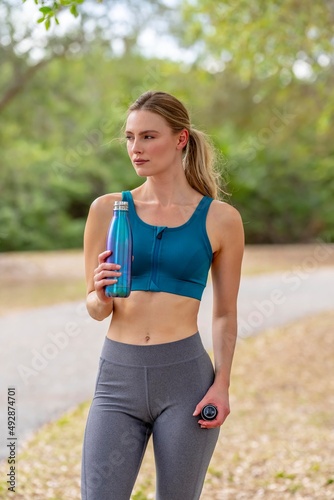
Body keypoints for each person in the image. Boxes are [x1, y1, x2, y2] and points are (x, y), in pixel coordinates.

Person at [81, 90, 244, 500]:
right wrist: (100, 294)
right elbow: (96, 308)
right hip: (118, 377)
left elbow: (224, 314)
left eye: (148, 137)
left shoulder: (222, 219)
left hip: (186, 380)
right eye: (130, 137)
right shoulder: (107, 209)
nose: (136, 148)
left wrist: (221, 384)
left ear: (180, 139)